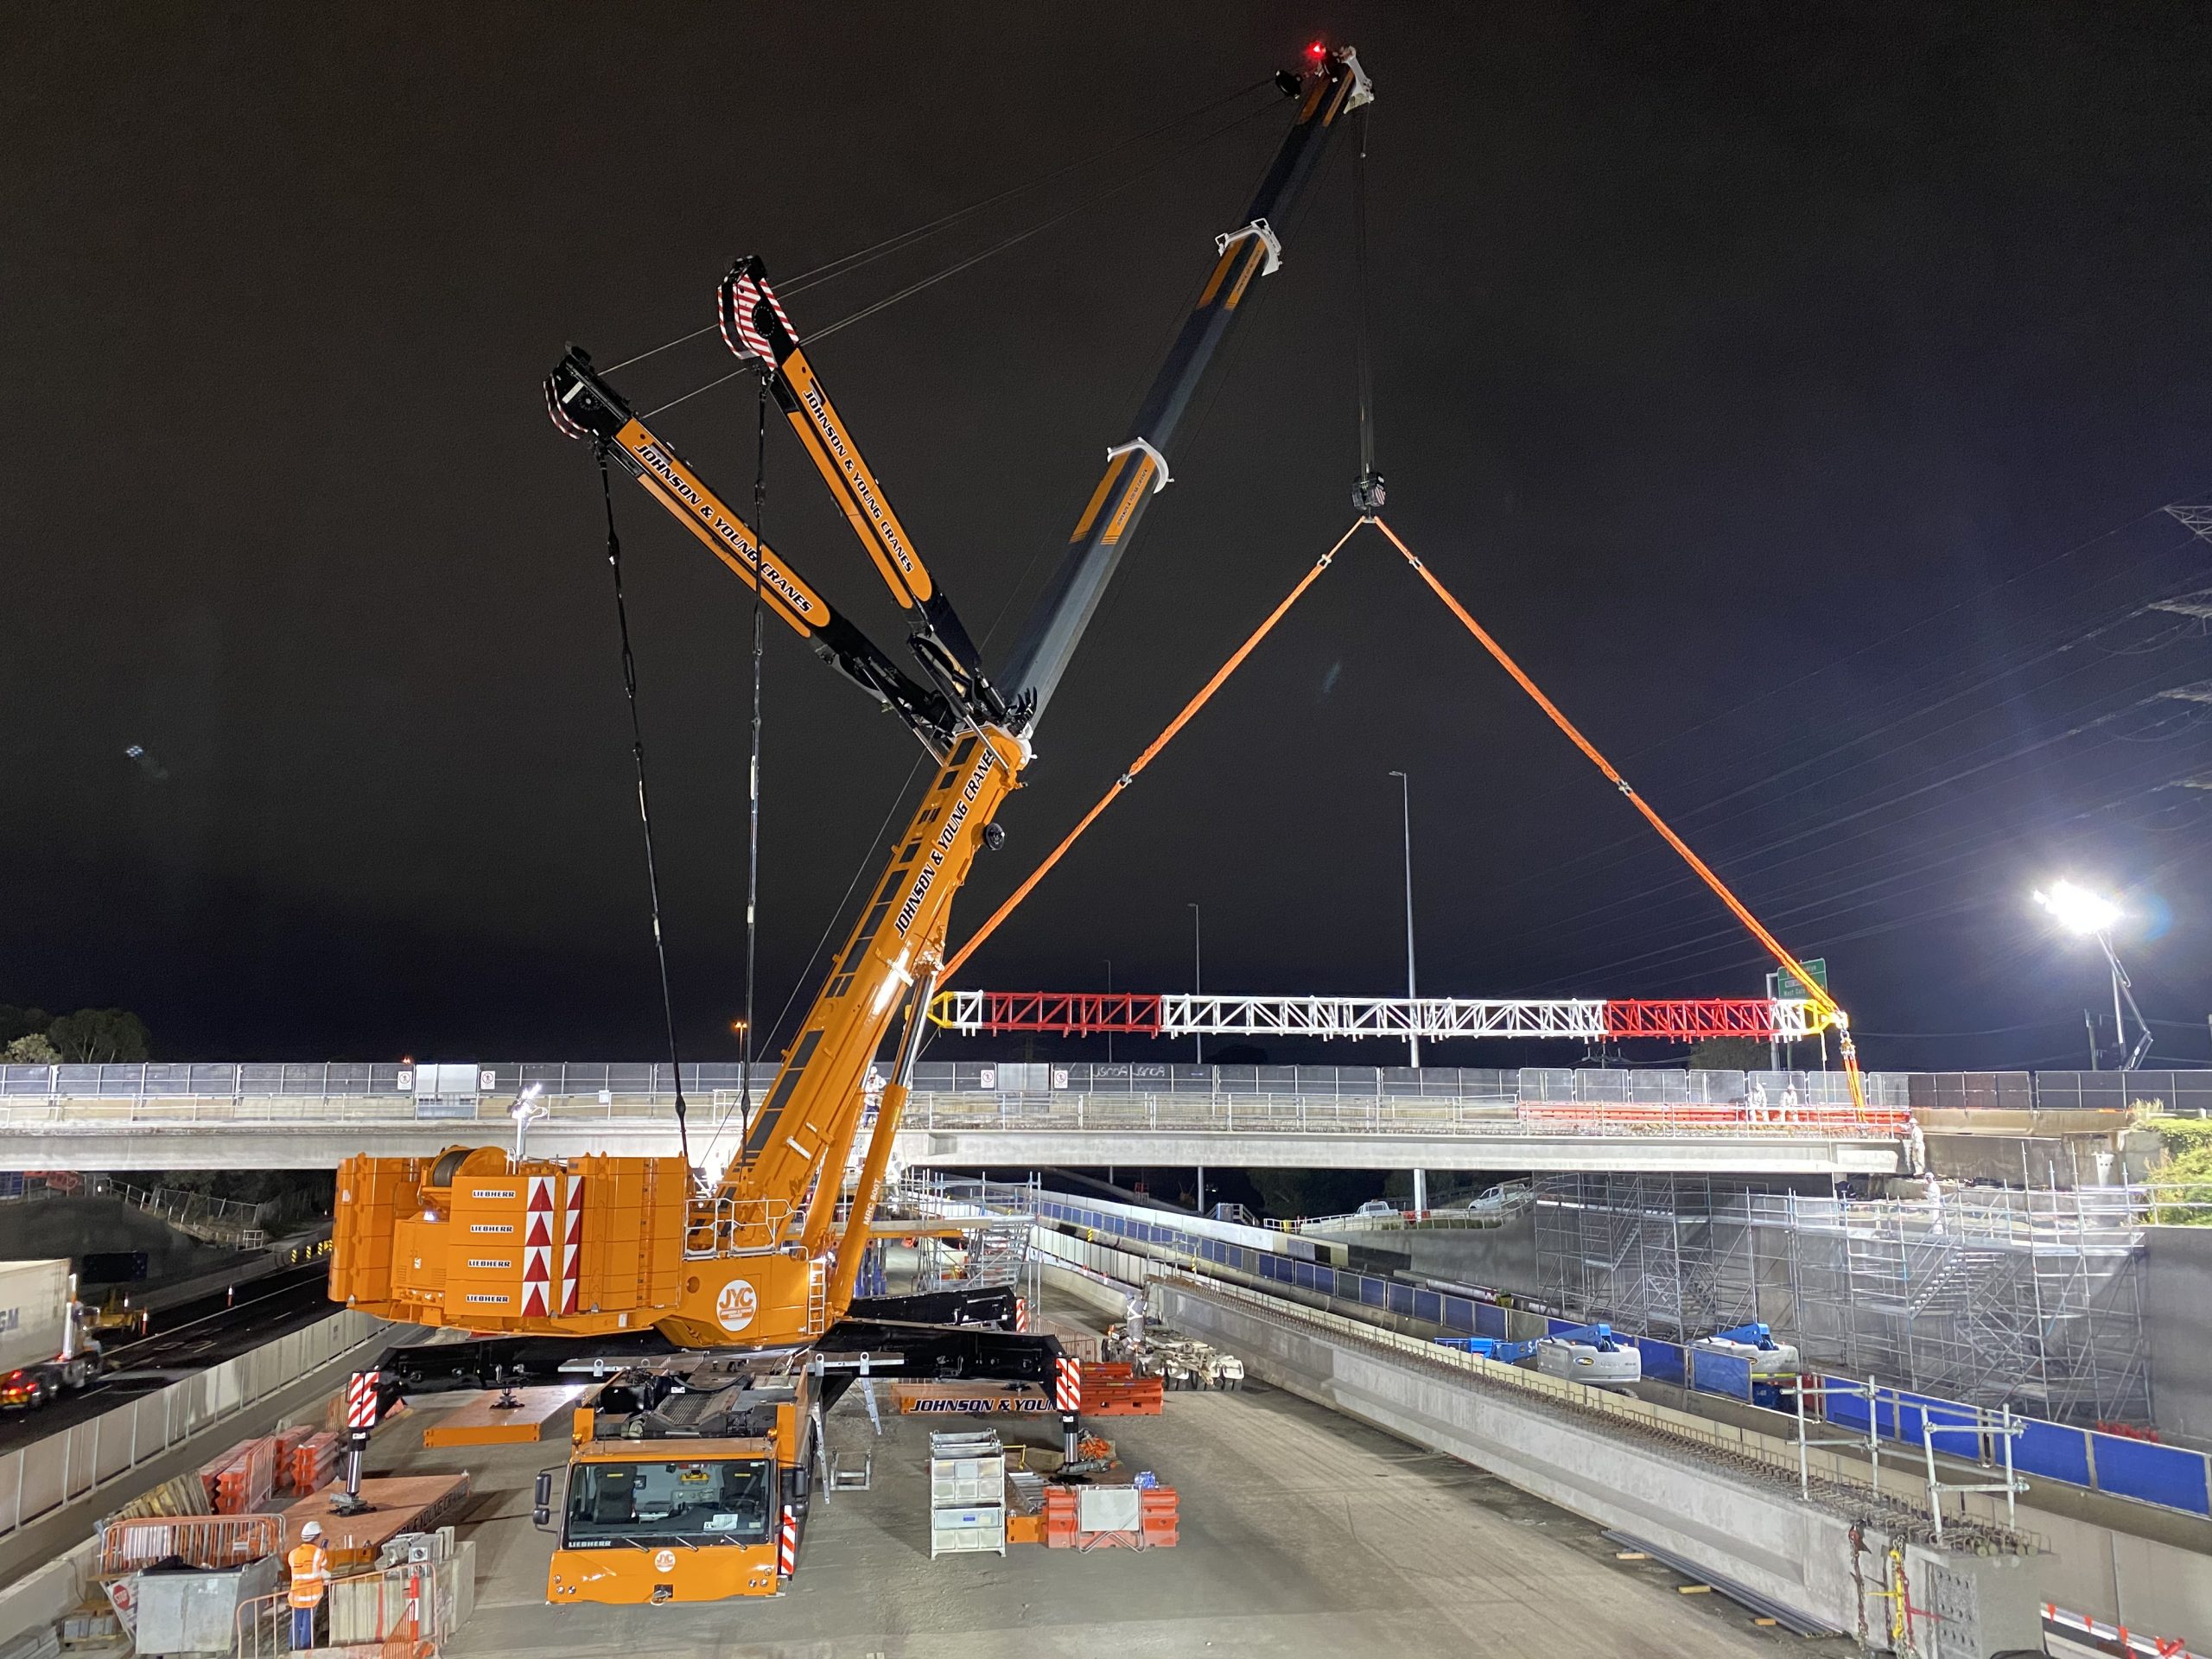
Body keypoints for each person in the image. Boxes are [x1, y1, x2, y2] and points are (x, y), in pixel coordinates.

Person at [288, 1521, 331, 1650]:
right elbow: (323, 1566)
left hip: (296, 1595)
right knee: (307, 1622)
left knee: (295, 1622)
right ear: (316, 1537)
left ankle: (292, 1647)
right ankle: (305, 1647)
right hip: (312, 1595)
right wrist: (323, 1550)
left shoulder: (293, 1554)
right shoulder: (319, 1553)